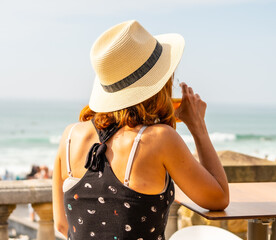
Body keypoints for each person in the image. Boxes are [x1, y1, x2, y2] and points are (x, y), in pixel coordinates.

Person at [52, 20, 229, 240]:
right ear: (160, 83)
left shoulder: (69, 136)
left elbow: (61, 225)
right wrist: (198, 127)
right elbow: (219, 197)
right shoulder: (159, 139)